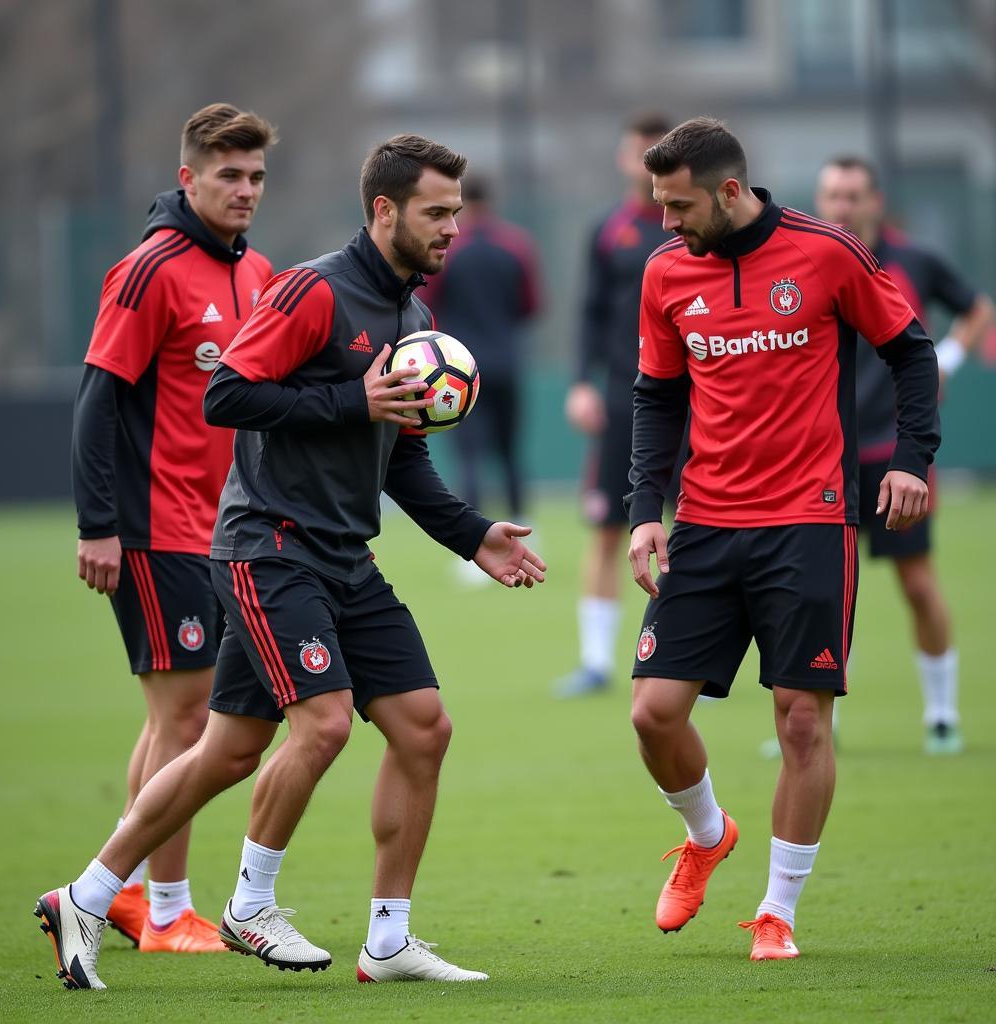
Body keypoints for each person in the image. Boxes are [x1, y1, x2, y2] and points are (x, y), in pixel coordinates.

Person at [36, 134, 546, 991]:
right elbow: (225, 393)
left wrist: (474, 534)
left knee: (381, 733)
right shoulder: (311, 289)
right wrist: (354, 398)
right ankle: (250, 906)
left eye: (456, 212)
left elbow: (403, 459)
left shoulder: (414, 320)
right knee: (326, 722)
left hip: (344, 556)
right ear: (384, 211)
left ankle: (93, 895)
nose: (452, 228)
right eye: (436, 213)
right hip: (268, 547)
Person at [626, 118, 939, 961]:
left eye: (680, 204)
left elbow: (911, 352)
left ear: (730, 191)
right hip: (705, 521)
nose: (665, 222)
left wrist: (912, 460)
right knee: (653, 714)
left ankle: (777, 912)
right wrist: (644, 511)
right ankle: (706, 834)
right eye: (659, 203)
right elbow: (657, 398)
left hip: (810, 517)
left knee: (802, 722)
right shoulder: (664, 273)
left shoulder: (827, 251)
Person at [69, 103, 276, 953]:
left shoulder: (259, 270)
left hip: (227, 527)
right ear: (188, 177)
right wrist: (99, 525)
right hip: (157, 526)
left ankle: (122, 895)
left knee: (174, 718)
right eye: (229, 175)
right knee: (189, 716)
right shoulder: (148, 270)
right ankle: (163, 913)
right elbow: (97, 399)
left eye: (257, 176)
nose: (245, 191)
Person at [815, 156, 993, 754]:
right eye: (832, 195)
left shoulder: (914, 260)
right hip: (824, 456)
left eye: (854, 194)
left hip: (895, 451)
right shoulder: (808, 259)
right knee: (825, 589)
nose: (842, 206)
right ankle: (819, 724)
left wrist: (949, 358)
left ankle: (942, 715)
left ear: (876, 200)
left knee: (917, 584)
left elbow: (977, 308)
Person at [555, 112, 674, 697]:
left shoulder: (696, 226)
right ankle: (597, 661)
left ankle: (686, 658)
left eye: (659, 151)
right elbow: (587, 314)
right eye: (639, 150)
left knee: (702, 530)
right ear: (625, 158)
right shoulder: (609, 230)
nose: (647, 160)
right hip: (626, 401)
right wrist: (581, 383)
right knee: (607, 527)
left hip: (701, 404)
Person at [420, 174, 542, 522]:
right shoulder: (517, 245)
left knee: (469, 456)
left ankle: (473, 546)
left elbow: (427, 304)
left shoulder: (446, 248)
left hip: (456, 370)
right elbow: (531, 305)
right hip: (507, 361)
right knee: (509, 453)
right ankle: (525, 531)